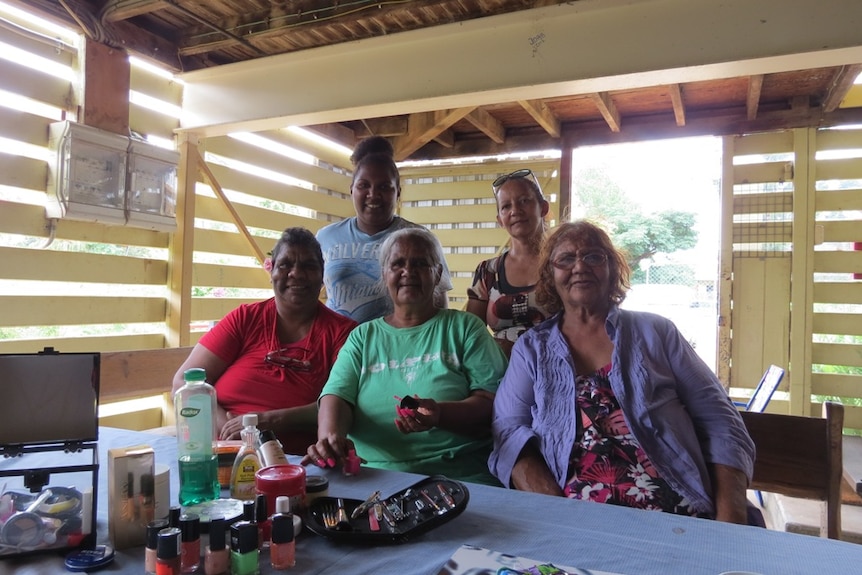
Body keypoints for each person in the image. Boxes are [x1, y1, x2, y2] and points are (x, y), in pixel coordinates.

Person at [489, 220, 759, 524]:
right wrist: (554, 510)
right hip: (574, 517)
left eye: (593, 256)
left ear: (612, 270)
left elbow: (720, 420)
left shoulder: (657, 332)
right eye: (565, 259)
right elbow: (508, 430)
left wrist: (730, 520)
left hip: (676, 513)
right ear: (550, 276)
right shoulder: (532, 349)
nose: (579, 266)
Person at [303, 227, 508, 485]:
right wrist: (330, 440)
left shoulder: (464, 328)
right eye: (397, 263)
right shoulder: (362, 337)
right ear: (384, 274)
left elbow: (493, 402)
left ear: (438, 274)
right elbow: (337, 396)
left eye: (420, 263)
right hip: (370, 478)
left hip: (459, 478)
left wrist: (440, 415)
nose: (408, 272)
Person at [171, 228, 357, 455]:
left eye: (308, 266)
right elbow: (184, 384)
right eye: (285, 264)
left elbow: (344, 404)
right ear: (272, 272)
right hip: (222, 454)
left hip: (293, 462)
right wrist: (233, 433)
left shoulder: (344, 333)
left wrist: (266, 422)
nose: (296, 274)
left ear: (322, 277)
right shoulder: (245, 318)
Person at [316, 136, 452, 323]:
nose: (373, 195)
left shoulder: (420, 240)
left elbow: (439, 305)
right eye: (364, 185)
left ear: (398, 192)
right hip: (336, 348)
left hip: (398, 348)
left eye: (384, 187)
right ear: (352, 189)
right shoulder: (326, 237)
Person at [467, 168, 553, 357]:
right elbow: (471, 334)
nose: (515, 211)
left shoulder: (562, 265)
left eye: (524, 201)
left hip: (557, 368)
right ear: (500, 220)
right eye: (506, 206)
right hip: (500, 373)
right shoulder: (487, 272)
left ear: (543, 208)